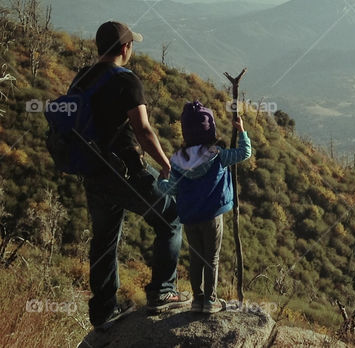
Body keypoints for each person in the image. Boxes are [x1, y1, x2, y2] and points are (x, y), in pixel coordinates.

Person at [72, 21, 191, 329]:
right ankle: (162, 292)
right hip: (125, 171)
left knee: (104, 240)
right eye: (131, 45)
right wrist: (166, 163)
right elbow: (143, 130)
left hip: (93, 172)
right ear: (125, 48)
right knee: (171, 218)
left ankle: (103, 312)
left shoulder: (82, 78)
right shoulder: (127, 80)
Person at [158, 101, 252, 313]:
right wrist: (242, 131)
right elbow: (244, 153)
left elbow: (170, 190)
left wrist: (160, 181)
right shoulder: (217, 155)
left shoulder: (178, 160)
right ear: (211, 130)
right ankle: (210, 301)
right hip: (212, 216)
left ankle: (197, 300)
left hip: (189, 217)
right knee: (212, 257)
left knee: (196, 257)